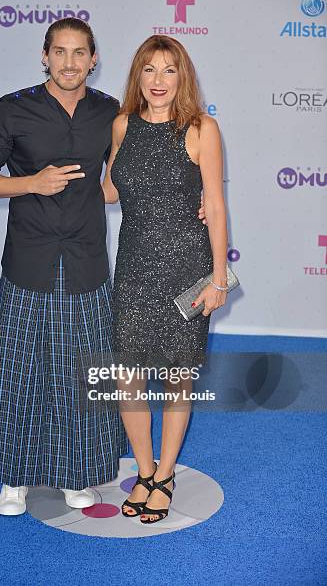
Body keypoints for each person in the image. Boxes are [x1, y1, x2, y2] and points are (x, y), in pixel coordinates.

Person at [0, 18, 133, 516]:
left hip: (86, 260)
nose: (69, 63)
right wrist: (31, 183)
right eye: (59, 52)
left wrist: (185, 199)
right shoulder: (13, 109)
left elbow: (117, 184)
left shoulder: (110, 113)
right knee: (20, 369)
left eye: (79, 53)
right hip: (28, 259)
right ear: (45, 56)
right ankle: (14, 481)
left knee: (81, 373)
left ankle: (76, 473)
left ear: (93, 59)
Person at [102, 35, 228, 523]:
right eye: (149, 70)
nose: (158, 80)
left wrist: (217, 279)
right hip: (133, 268)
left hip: (186, 269)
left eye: (169, 70)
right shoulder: (121, 125)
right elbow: (111, 191)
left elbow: (215, 204)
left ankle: (166, 474)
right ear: (138, 76)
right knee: (127, 378)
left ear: (183, 77)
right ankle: (146, 469)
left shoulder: (202, 129)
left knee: (178, 379)